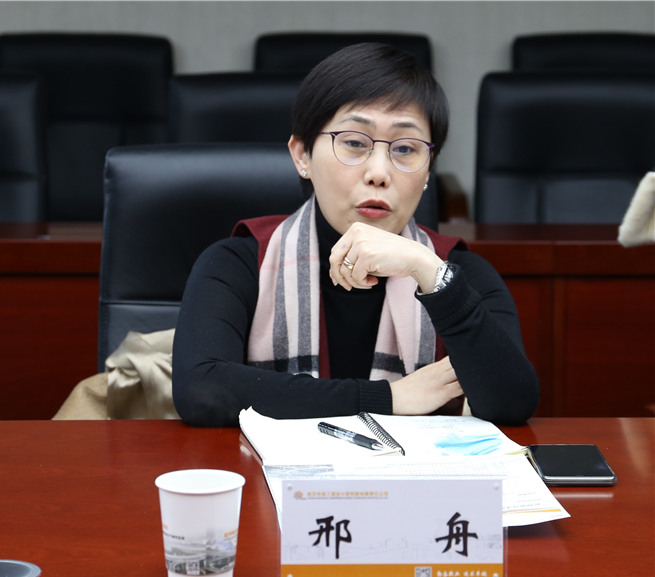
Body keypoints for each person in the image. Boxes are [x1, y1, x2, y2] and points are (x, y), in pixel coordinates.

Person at [173, 43, 540, 427]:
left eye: (405, 148)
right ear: (302, 155)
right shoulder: (239, 262)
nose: (378, 173)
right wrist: (389, 398)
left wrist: (429, 272)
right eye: (353, 143)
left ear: (429, 170)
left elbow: (512, 404)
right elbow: (200, 389)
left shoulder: (457, 272)